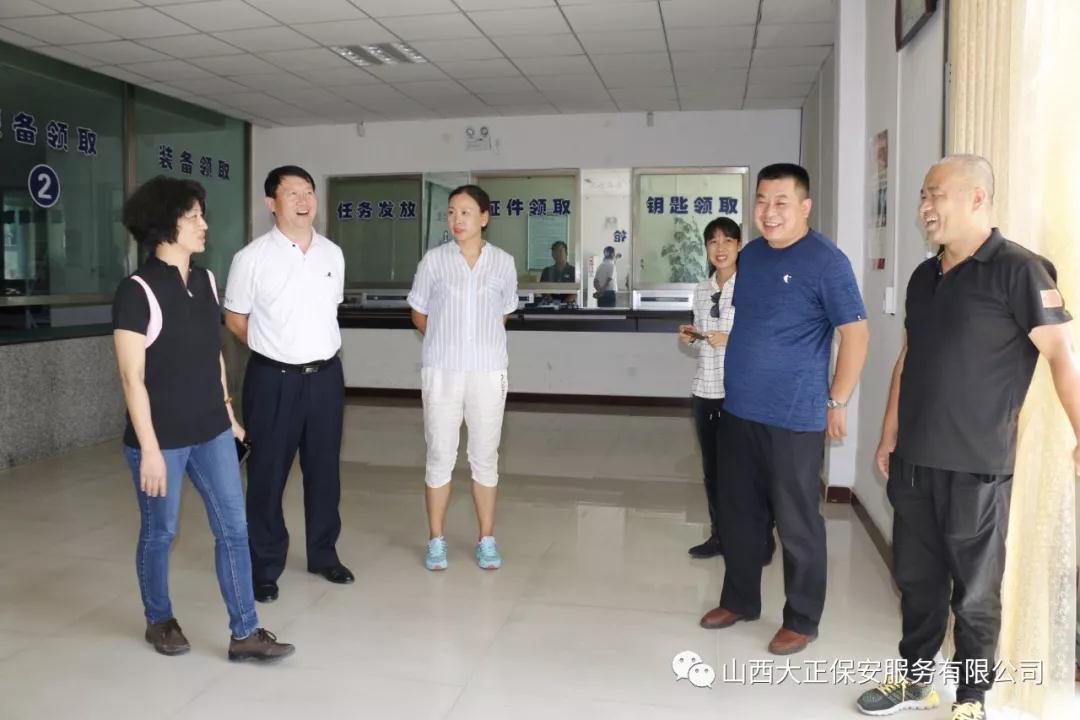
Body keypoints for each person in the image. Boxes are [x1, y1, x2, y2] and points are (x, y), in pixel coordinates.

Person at [855, 155, 1079, 720]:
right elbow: (909, 358)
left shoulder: (1019, 270)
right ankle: (915, 681)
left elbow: (1062, 355)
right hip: (915, 461)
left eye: (936, 194)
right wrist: (888, 432)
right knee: (916, 581)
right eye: (923, 196)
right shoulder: (923, 276)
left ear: (977, 198)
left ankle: (972, 698)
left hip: (978, 465)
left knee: (975, 592)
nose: (925, 207)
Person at [112, 176, 294, 662]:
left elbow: (212, 354)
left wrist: (227, 413)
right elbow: (132, 377)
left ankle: (245, 631)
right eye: (192, 216)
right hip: (162, 439)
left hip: (210, 430)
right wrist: (150, 449)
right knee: (160, 532)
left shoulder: (206, 280)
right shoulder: (137, 291)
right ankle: (159, 618)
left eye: (201, 215)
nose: (203, 224)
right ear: (164, 225)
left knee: (234, 529)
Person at [699, 163, 870, 657]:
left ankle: (801, 619)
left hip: (794, 418)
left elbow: (856, 334)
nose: (768, 212)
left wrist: (837, 399)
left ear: (804, 206)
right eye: (761, 201)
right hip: (740, 409)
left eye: (781, 202)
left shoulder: (826, 261)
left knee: (797, 524)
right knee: (739, 515)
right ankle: (739, 600)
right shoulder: (751, 257)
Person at [223, 165, 352, 603]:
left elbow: (329, 310)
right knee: (267, 473)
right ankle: (264, 566)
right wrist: (272, 347)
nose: (303, 200)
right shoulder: (251, 258)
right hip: (272, 379)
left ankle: (323, 554)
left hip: (326, 378)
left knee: (325, 470)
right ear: (271, 204)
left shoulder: (332, 254)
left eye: (308, 191)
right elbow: (235, 318)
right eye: (292, 192)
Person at [407, 184, 518, 571]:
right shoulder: (434, 261)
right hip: (442, 371)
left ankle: (486, 538)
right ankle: (435, 539)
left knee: (485, 457)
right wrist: (446, 340)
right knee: (440, 454)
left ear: (484, 217)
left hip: (488, 371)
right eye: (452, 212)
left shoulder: (503, 263)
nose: (457, 219)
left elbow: (502, 313)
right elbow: (419, 313)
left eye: (466, 212)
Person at [677, 217, 741, 559]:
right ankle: (719, 536)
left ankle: (758, 537)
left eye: (727, 240)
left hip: (740, 394)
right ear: (705, 248)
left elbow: (762, 337)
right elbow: (702, 338)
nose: (720, 248)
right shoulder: (701, 290)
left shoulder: (751, 287)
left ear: (739, 246)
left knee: (745, 472)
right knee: (713, 471)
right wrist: (692, 337)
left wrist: (730, 339)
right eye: (713, 241)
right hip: (705, 390)